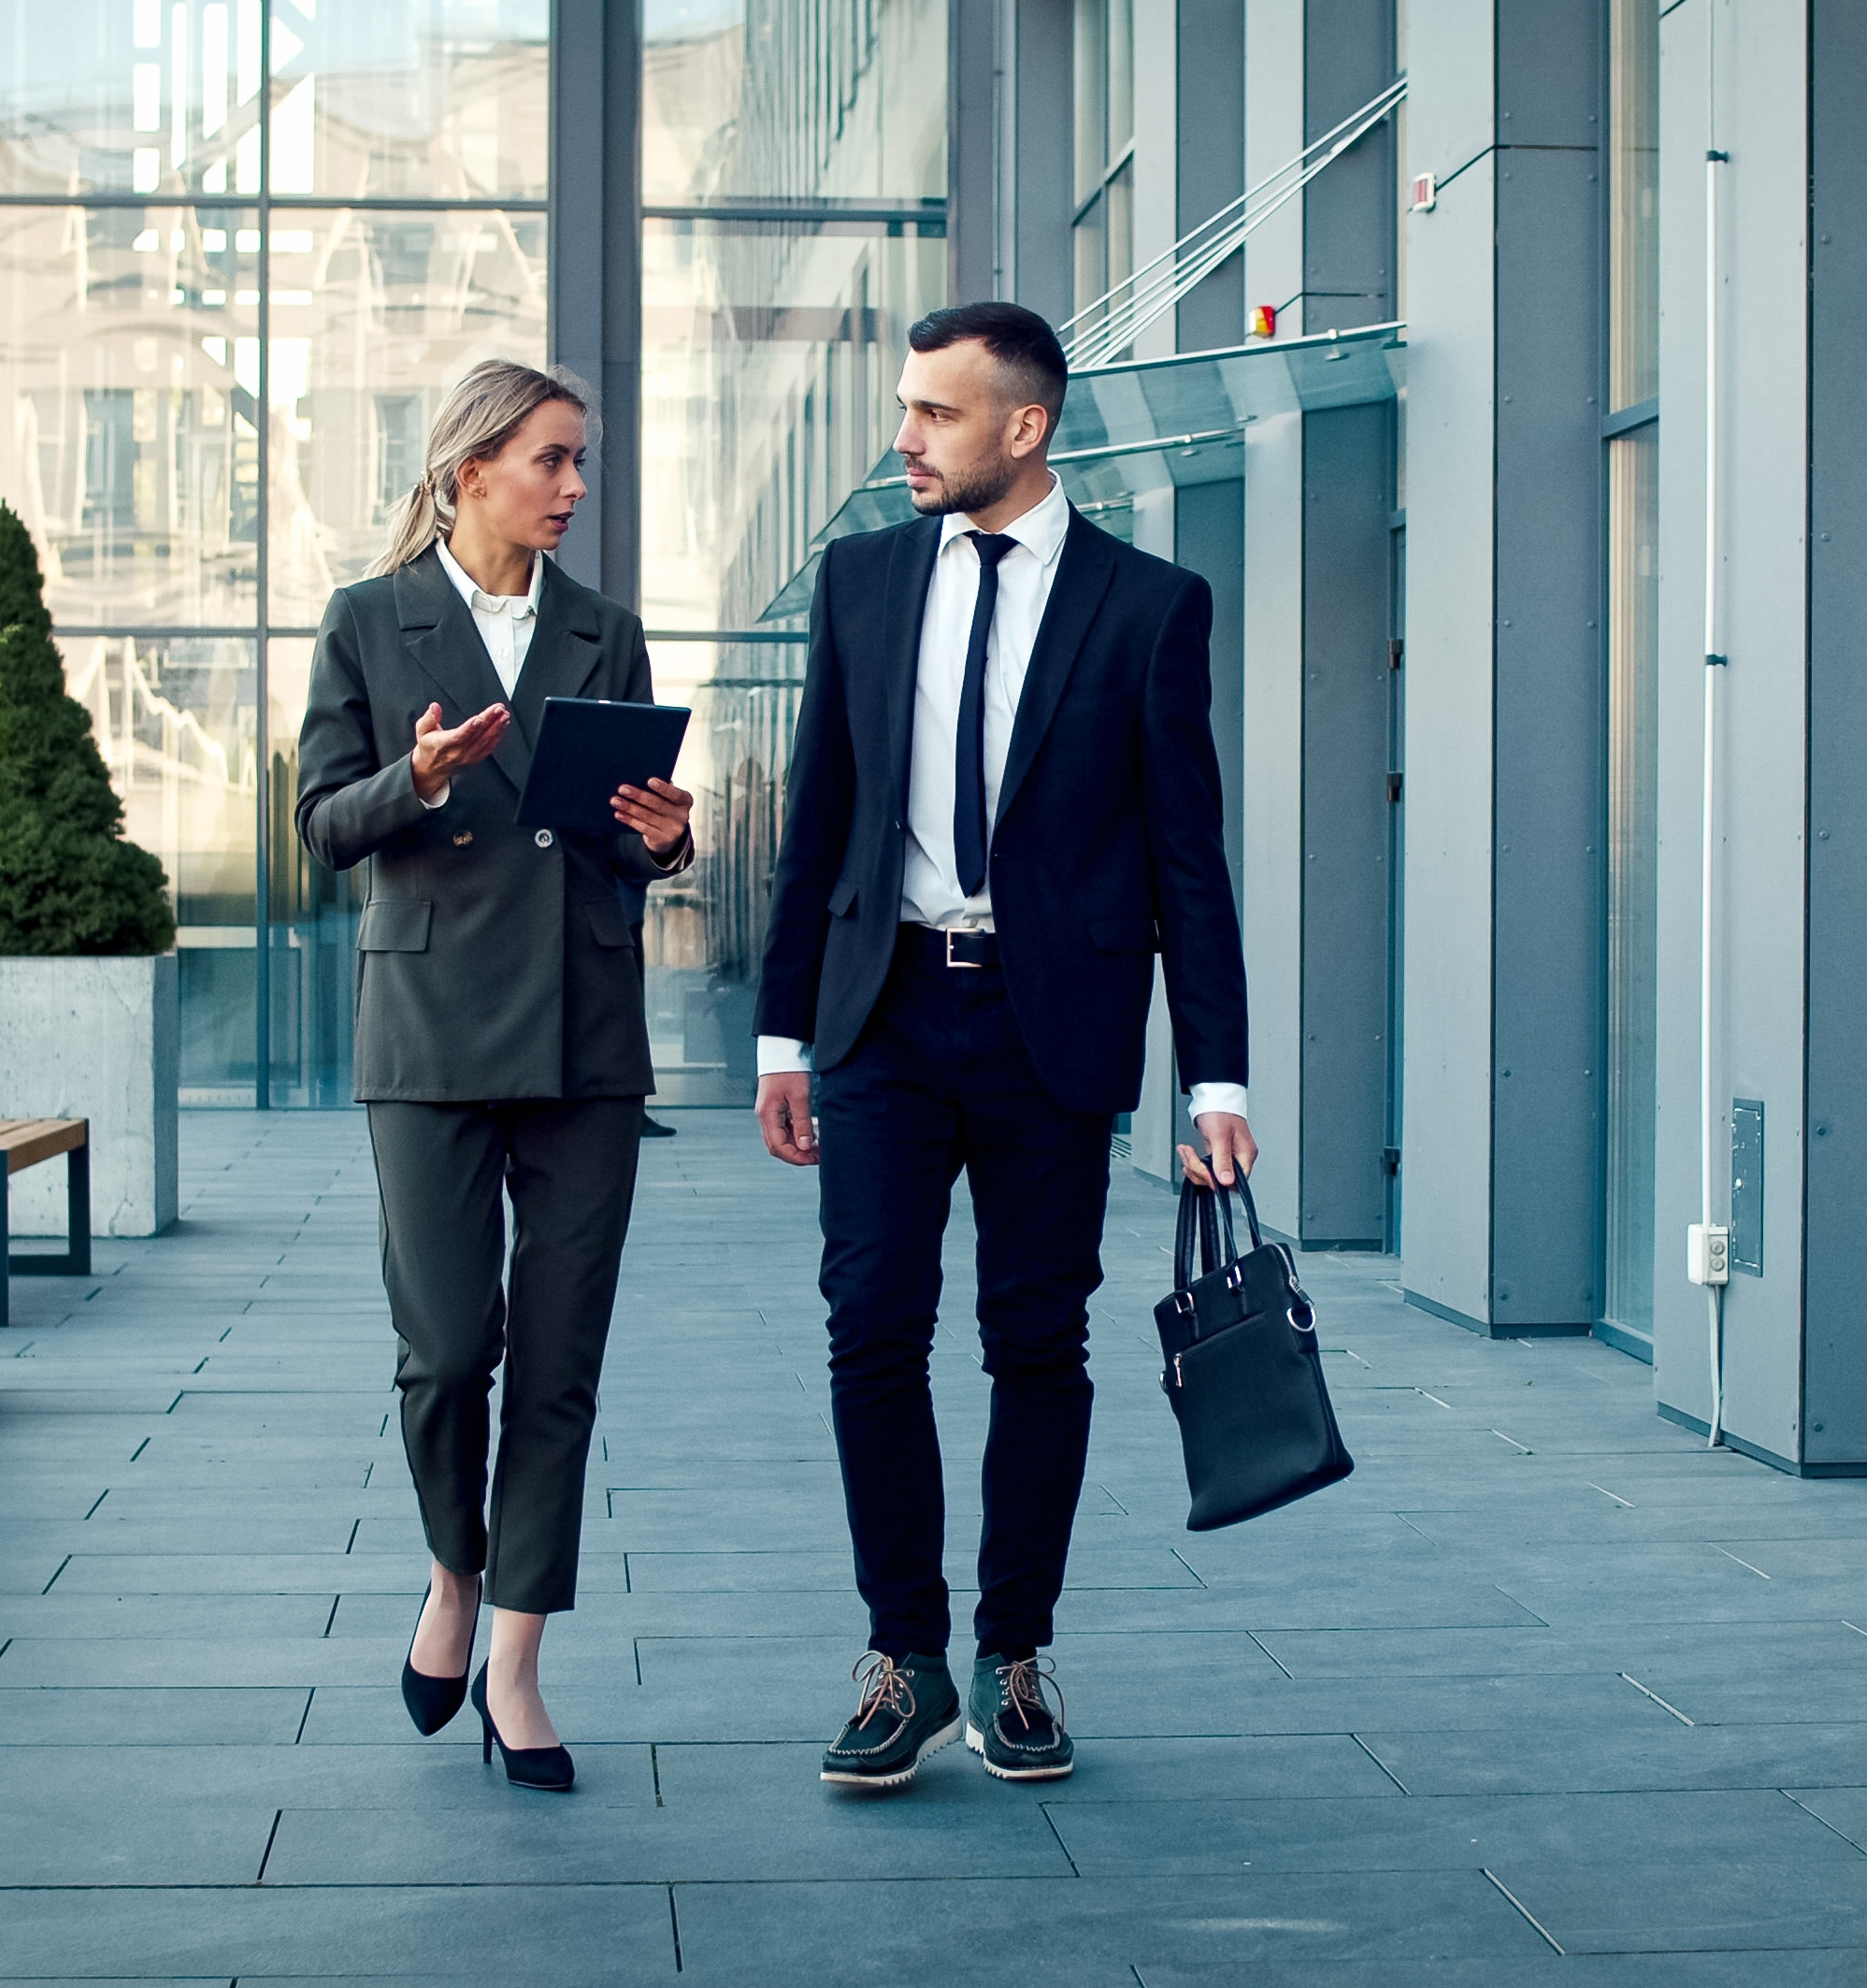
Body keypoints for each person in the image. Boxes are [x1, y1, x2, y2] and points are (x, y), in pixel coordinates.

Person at [754, 301, 1256, 1791]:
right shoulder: (858, 582)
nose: (904, 436)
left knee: (1038, 1339)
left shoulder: (1149, 606)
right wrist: (786, 1035)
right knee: (871, 1326)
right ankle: (901, 1655)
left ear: (1022, 430)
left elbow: (1189, 864)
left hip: (1058, 1025)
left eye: (934, 414)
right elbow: (816, 826)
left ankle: (1013, 1651)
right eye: (906, 407)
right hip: (886, 1013)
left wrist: (1212, 1077)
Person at [294, 358, 696, 1795]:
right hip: (431, 1033)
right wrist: (419, 779)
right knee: (452, 1349)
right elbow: (321, 828)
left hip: (584, 1033)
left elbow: (620, 840)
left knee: (562, 1364)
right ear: (470, 471)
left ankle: (515, 1655)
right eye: (553, 460)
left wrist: (660, 837)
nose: (576, 486)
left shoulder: (607, 631)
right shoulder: (368, 621)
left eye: (580, 461)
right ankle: (453, 1571)